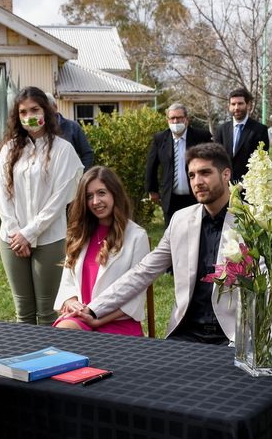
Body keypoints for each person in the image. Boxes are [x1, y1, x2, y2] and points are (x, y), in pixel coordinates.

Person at [77, 143, 240, 345]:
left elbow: (267, 290)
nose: (197, 182)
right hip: (186, 333)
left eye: (205, 173)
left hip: (232, 335)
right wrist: (94, 308)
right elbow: (143, 272)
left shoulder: (252, 223)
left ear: (226, 175)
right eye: (191, 175)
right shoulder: (181, 220)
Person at [0, 86, 83, 325]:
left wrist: (29, 233)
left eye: (34, 109)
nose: (29, 117)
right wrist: (16, 233)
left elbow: (59, 199)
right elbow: (3, 193)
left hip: (49, 238)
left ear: (46, 111)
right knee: (23, 311)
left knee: (47, 312)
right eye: (23, 112)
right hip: (11, 240)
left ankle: (48, 362)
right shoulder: (9, 149)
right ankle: (25, 362)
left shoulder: (63, 150)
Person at [53, 166, 150, 335]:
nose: (95, 201)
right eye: (89, 196)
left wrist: (97, 319)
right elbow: (67, 283)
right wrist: (71, 302)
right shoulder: (80, 235)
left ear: (115, 193)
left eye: (101, 193)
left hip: (117, 321)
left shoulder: (136, 236)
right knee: (63, 333)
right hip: (81, 319)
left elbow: (135, 296)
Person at [145, 103, 212, 226]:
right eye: (172, 118)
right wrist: (152, 190)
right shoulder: (160, 138)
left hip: (195, 196)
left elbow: (212, 163)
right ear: (167, 120)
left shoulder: (201, 137)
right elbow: (151, 165)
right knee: (172, 235)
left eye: (179, 118)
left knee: (196, 232)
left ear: (186, 119)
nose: (176, 121)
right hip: (171, 198)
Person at [214, 88, 269, 183]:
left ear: (248, 105)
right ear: (229, 106)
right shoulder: (221, 130)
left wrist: (242, 184)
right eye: (233, 104)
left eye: (240, 103)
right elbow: (216, 159)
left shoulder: (260, 130)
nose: (236, 108)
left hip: (250, 189)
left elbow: (260, 162)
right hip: (224, 187)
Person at [45, 93, 94, 170]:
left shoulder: (73, 127)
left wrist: (81, 177)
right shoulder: (38, 131)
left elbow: (87, 154)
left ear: (55, 107)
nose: (45, 113)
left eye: (47, 108)